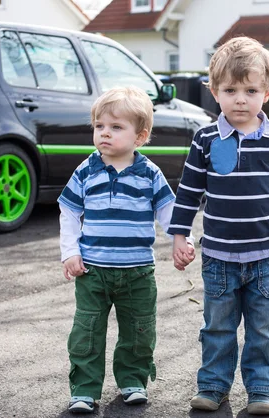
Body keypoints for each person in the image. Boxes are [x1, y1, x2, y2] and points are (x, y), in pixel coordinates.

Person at [168, 36, 269, 415]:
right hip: (218, 257)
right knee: (217, 329)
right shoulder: (206, 139)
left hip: (265, 258)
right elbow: (188, 192)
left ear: (268, 91)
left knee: (263, 330)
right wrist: (180, 235)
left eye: (250, 90)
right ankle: (213, 386)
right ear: (214, 91)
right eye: (230, 90)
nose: (240, 99)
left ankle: (262, 390)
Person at [58, 86, 194, 414]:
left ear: (140, 136)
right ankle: (85, 389)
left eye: (116, 127)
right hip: (92, 271)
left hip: (137, 272)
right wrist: (69, 252)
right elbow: (69, 213)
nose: (105, 133)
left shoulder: (149, 174)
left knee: (139, 329)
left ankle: (133, 379)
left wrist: (182, 240)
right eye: (99, 126)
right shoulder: (86, 170)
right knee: (87, 331)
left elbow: (168, 213)